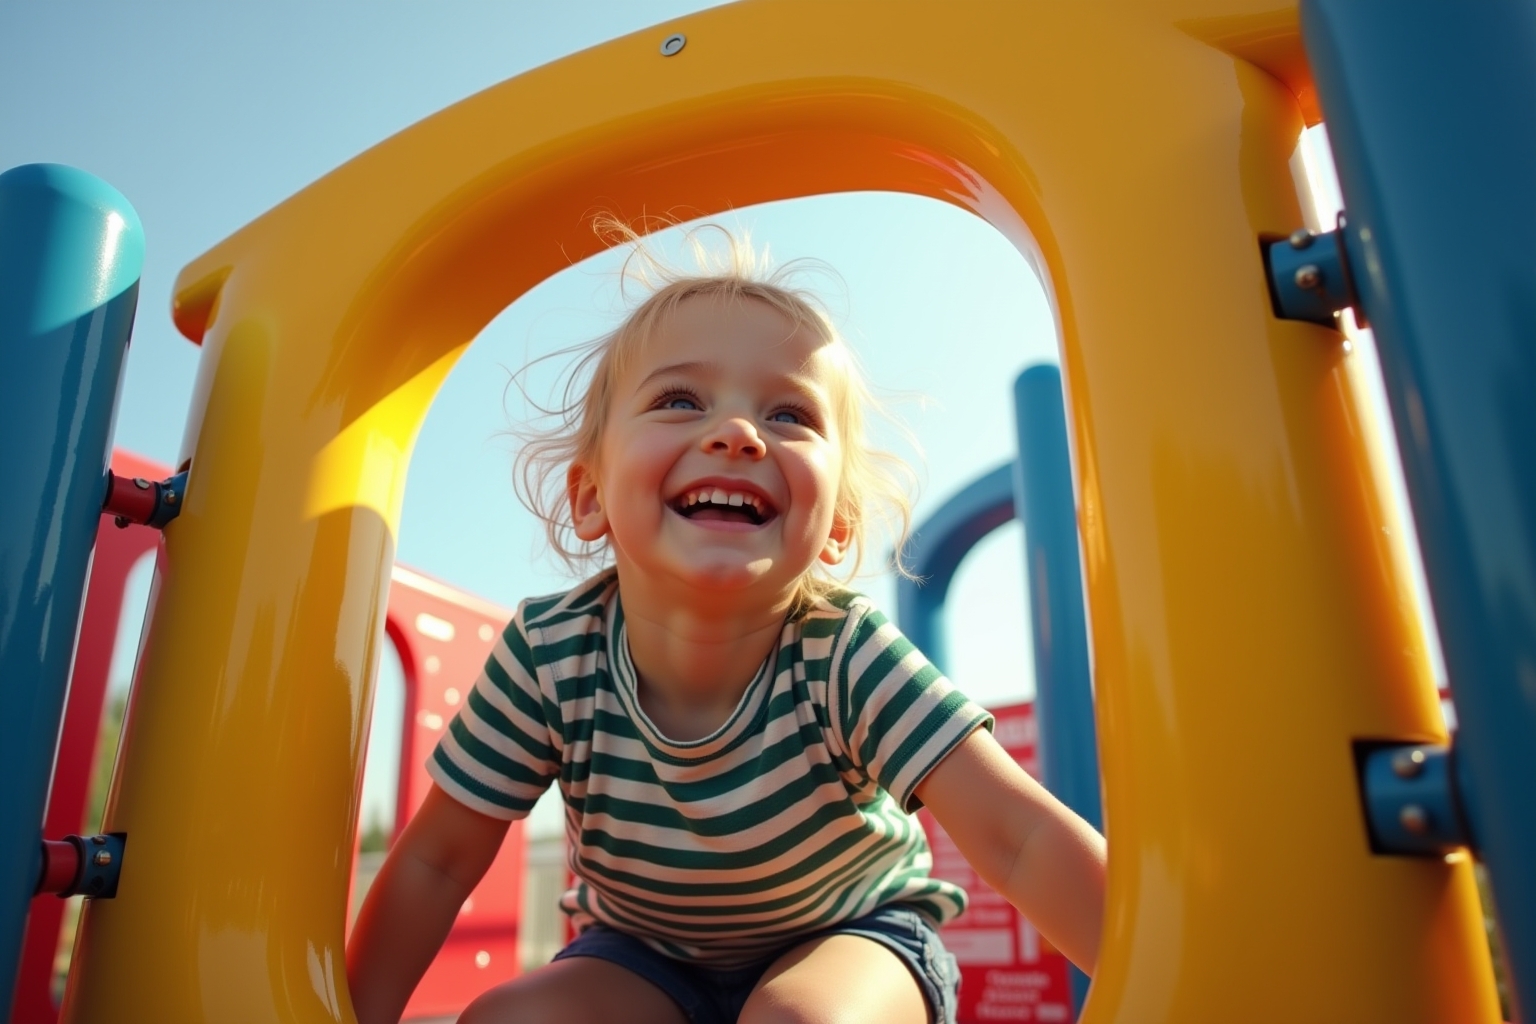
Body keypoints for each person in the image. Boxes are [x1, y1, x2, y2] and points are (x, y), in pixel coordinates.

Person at [346, 228, 1106, 1024]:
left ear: (838, 525)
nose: (738, 434)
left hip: (854, 934)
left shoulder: (843, 651)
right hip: (638, 955)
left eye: (788, 414)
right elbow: (438, 859)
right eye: (680, 400)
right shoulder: (550, 654)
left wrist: (1178, 972)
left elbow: (1015, 834)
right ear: (590, 496)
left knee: (799, 1021)